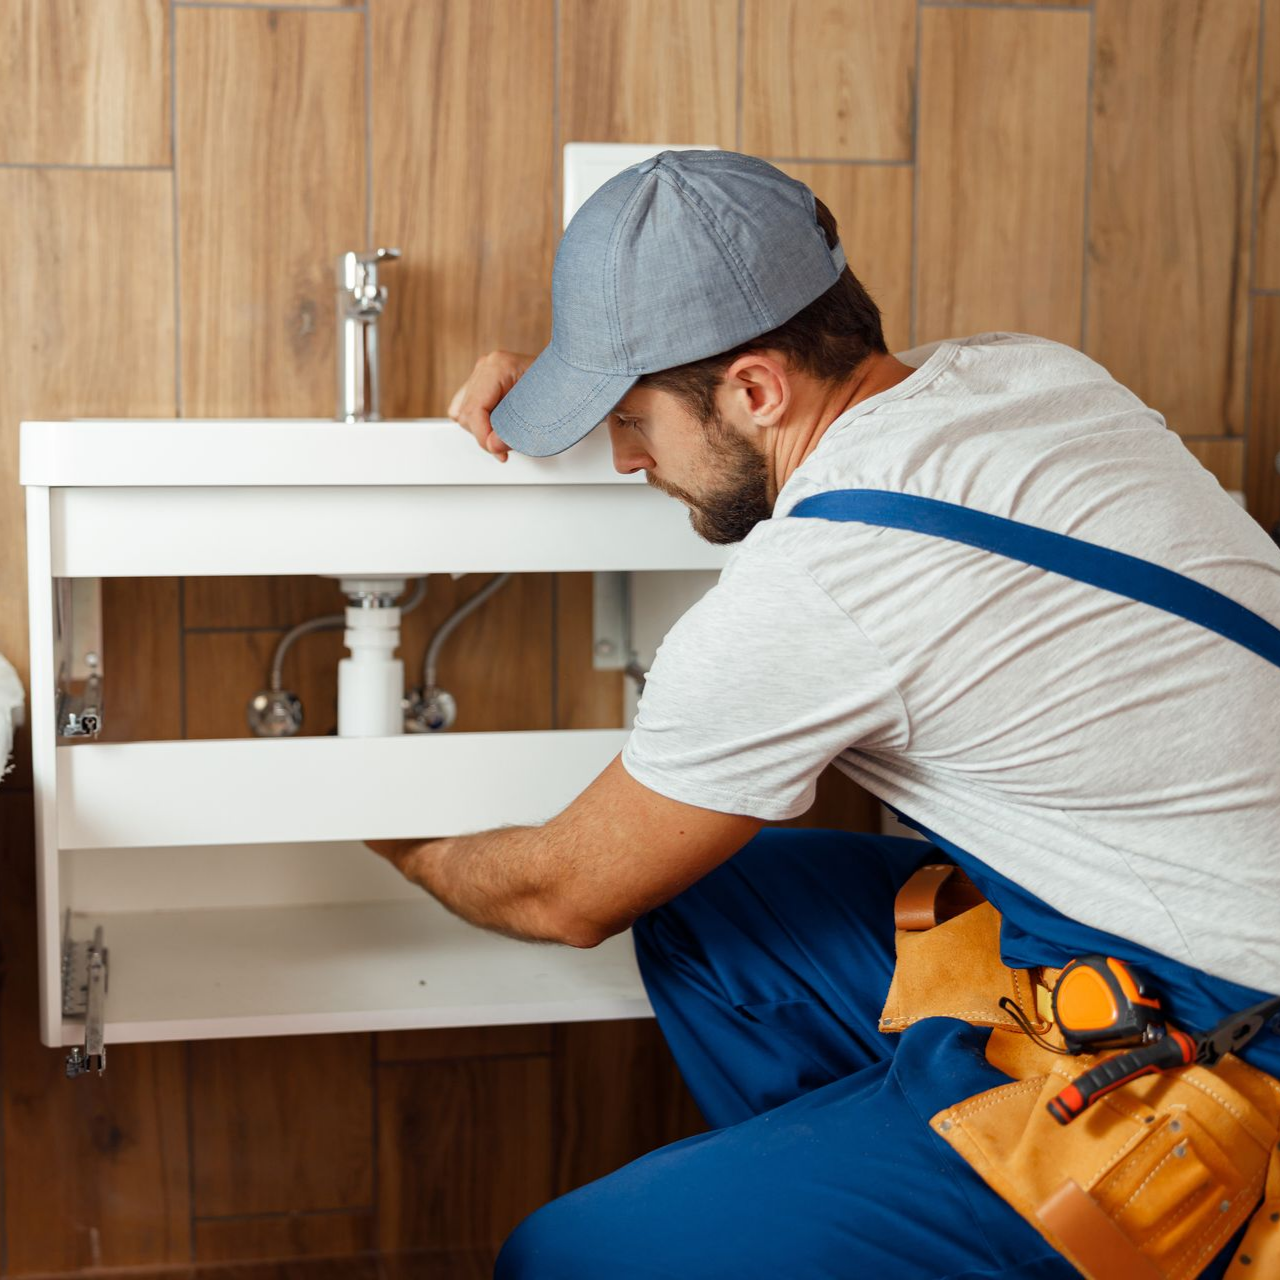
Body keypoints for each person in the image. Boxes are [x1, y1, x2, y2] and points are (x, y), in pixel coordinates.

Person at [366, 150, 1280, 1279]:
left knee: (565, 1259)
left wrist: (397, 839)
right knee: (711, 906)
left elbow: (562, 892)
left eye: (632, 415)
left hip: (1225, 1054)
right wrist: (585, 376)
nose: (623, 451)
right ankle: (877, 1195)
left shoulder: (823, 583)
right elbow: (749, 460)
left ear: (755, 389)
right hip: (1159, 941)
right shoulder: (1024, 373)